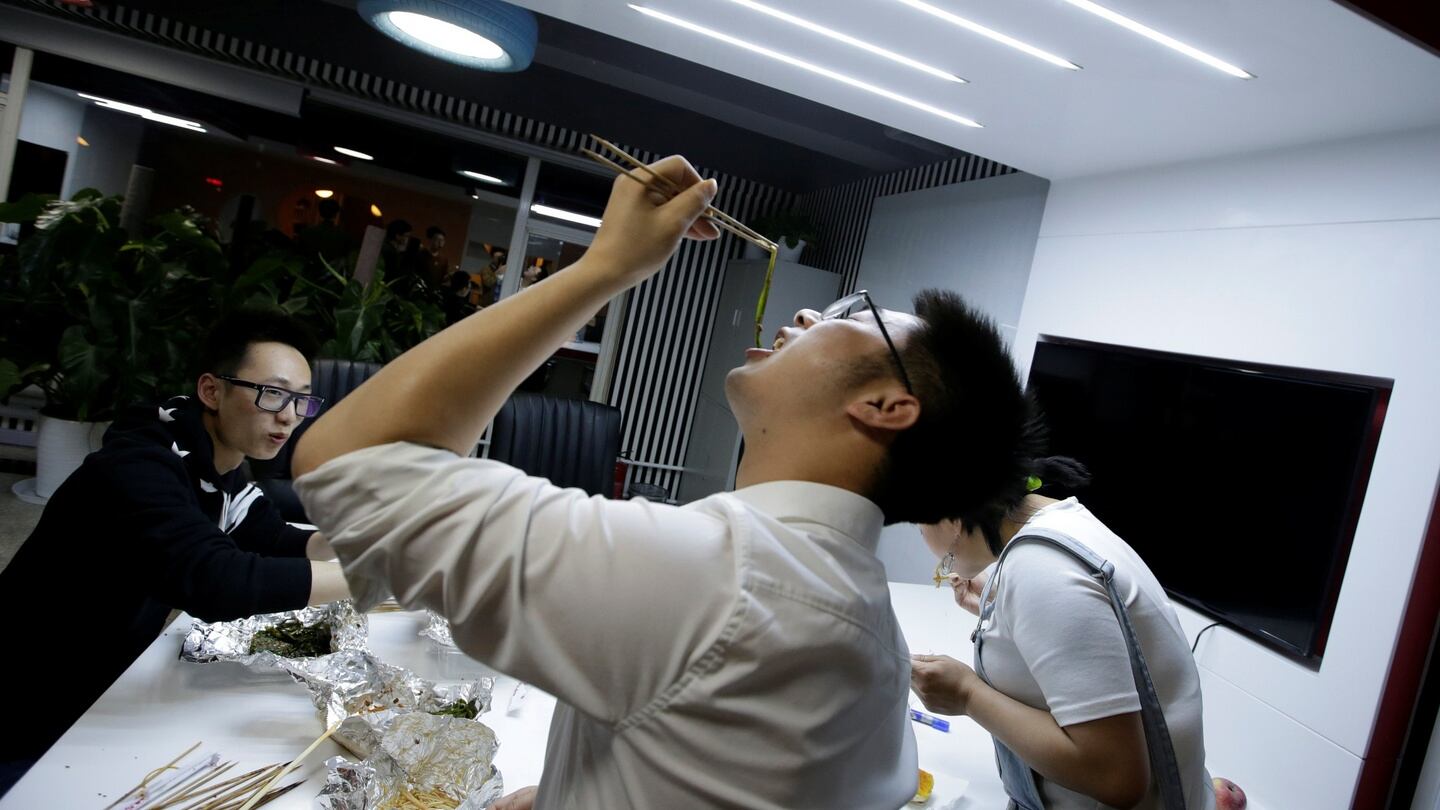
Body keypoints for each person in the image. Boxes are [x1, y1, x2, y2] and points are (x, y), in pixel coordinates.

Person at [288, 155, 1035, 809]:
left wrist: (606, 267)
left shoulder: (723, 577)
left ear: (884, 407)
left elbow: (349, 460)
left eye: (854, 314)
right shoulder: (853, 609)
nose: (808, 310)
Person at [0, 310, 351, 795]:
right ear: (213, 391)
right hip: (29, 704)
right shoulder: (141, 466)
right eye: (272, 393)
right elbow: (216, 581)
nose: (289, 415)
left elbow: (273, 537)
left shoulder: (220, 464)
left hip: (106, 685)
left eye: (300, 400)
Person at [910, 455, 1214, 810]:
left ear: (951, 515)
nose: (920, 535)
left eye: (918, 522)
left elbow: (1117, 778)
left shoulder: (1042, 571)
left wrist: (966, 695)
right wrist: (1005, 613)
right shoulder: (1063, 522)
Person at [297, 198, 352, 266]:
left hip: (308, 271)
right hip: (331, 272)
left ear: (320, 212)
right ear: (335, 214)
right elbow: (344, 259)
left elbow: (299, 255)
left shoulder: (306, 232)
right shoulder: (343, 235)